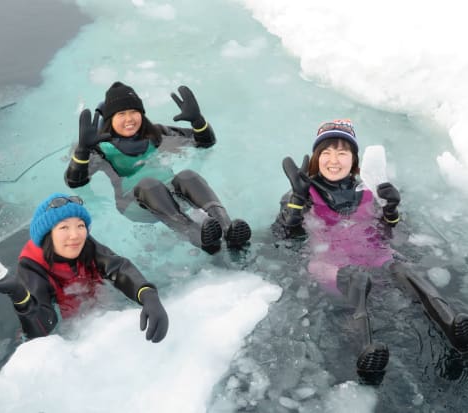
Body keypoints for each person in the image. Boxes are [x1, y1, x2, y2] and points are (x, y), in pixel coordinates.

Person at [272, 119, 468, 383]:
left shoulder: (367, 192)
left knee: (403, 269)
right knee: (357, 277)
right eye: (327, 152)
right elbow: (284, 237)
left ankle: (450, 323)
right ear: (317, 158)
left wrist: (391, 212)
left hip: (376, 256)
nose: (334, 159)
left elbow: (391, 234)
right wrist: (296, 202)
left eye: (342, 152)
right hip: (330, 266)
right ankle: (365, 346)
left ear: (353, 159)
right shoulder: (303, 194)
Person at [64, 81, 251, 254]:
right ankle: (194, 233)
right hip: (135, 204)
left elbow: (204, 142)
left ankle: (228, 228)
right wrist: (82, 151)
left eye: (133, 112)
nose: (129, 119)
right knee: (148, 184)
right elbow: (74, 182)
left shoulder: (157, 134)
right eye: (121, 114)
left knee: (187, 175)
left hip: (171, 196)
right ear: (110, 119)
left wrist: (198, 121)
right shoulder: (101, 148)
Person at [0, 192, 169, 342]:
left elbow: (118, 267)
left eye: (80, 225)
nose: (75, 235)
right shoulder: (32, 266)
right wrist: (19, 295)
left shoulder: (86, 244)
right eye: (64, 227)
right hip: (72, 328)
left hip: (96, 304)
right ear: (48, 234)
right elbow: (43, 329)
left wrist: (147, 294)